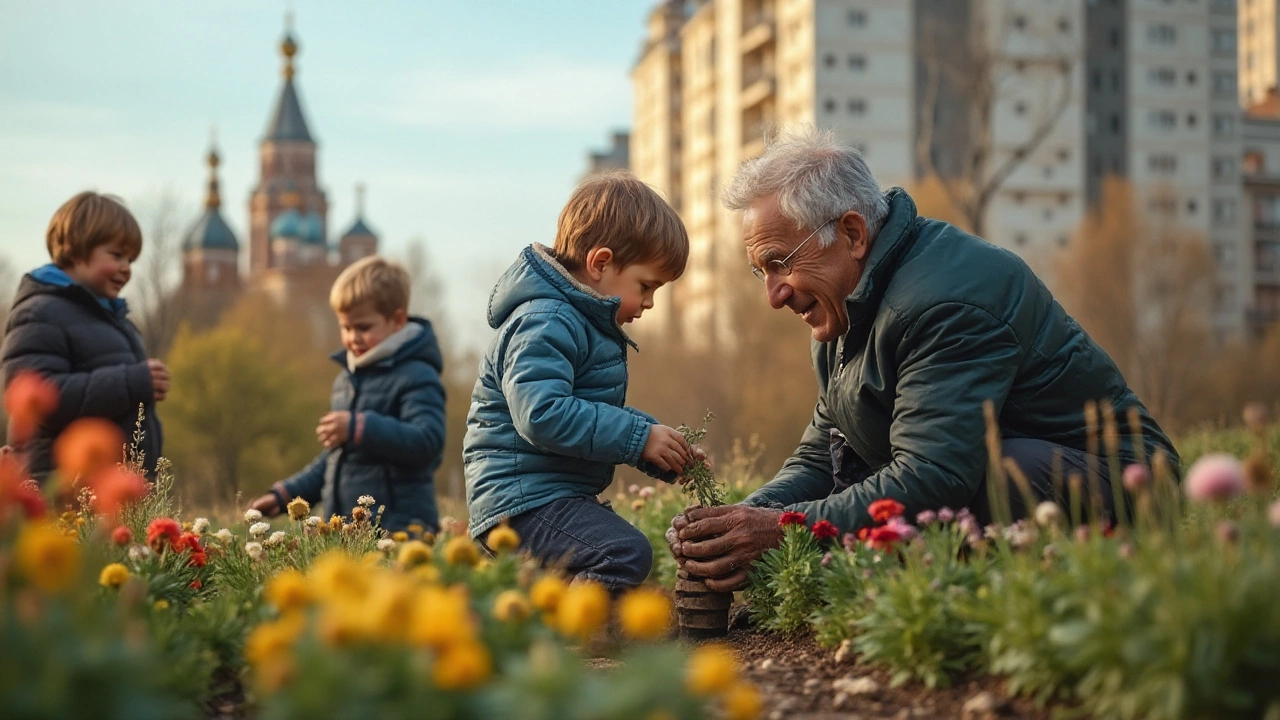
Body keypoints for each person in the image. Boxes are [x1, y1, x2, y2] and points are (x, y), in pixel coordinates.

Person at [668, 128, 1179, 591]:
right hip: (1007, 474)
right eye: (762, 271)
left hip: (1128, 486)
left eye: (781, 263)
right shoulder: (840, 311)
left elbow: (933, 475)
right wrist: (738, 519)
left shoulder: (946, 300)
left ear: (851, 234)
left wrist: (781, 532)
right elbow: (821, 458)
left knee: (999, 477)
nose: (774, 295)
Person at [464, 172, 698, 592]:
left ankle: (537, 611)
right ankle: (574, 628)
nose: (648, 303)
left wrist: (655, 447)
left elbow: (589, 415)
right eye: (646, 286)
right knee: (623, 553)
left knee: (618, 551)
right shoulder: (546, 320)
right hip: (520, 501)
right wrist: (637, 436)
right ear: (601, 263)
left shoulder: (573, 320)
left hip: (539, 495)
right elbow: (542, 414)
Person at [248, 256, 446, 533]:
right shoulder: (347, 380)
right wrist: (287, 495)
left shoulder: (416, 375)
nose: (353, 337)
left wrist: (360, 427)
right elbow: (336, 460)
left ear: (397, 320)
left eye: (363, 327)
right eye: (346, 327)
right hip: (348, 531)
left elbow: (428, 442)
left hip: (399, 530)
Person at [2, 191, 167, 481]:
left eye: (130, 259)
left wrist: (146, 386)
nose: (127, 268)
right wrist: (132, 382)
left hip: (112, 488)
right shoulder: (41, 313)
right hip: (65, 488)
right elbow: (37, 399)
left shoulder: (116, 320)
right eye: (116, 255)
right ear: (75, 251)